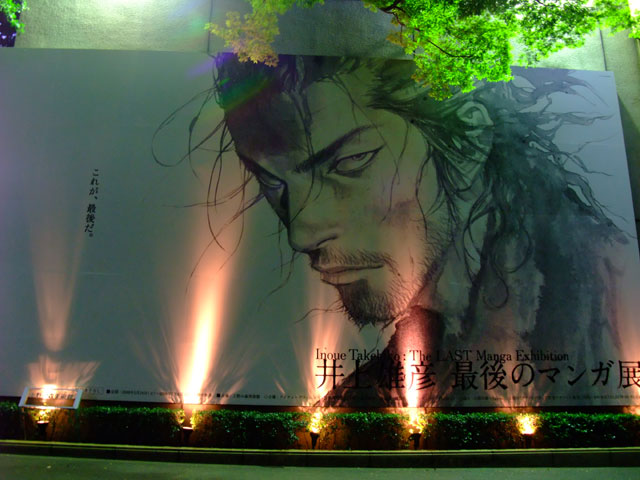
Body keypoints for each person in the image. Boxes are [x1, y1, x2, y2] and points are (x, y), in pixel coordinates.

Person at [208, 54, 631, 407]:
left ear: (467, 140)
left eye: (350, 162)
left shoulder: (607, 297)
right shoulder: (394, 378)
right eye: (272, 183)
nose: (301, 232)